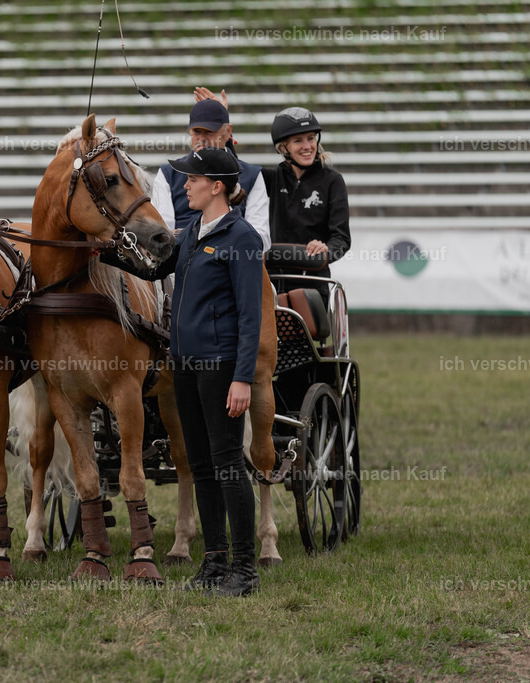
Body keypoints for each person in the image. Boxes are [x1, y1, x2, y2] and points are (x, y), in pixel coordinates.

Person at [102, 147, 263, 597]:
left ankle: (244, 569)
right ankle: (214, 564)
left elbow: (250, 317)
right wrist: (103, 251)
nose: (184, 184)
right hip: (186, 368)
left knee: (228, 464)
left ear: (215, 186)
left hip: (221, 368)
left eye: (192, 179)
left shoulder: (242, 238)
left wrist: (243, 378)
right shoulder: (193, 232)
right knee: (202, 467)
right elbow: (152, 268)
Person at [152, 94, 270, 250]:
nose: (201, 138)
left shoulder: (252, 175)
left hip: (230, 258)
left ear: (228, 132)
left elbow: (262, 238)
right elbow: (162, 233)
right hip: (179, 260)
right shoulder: (169, 172)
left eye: (209, 132)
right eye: (196, 132)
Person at [263, 106, 351, 283]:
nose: (307, 146)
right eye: (298, 141)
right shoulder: (272, 178)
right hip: (273, 281)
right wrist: (222, 130)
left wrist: (325, 250)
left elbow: (341, 238)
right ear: (283, 148)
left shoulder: (333, 181)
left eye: (311, 138)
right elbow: (232, 172)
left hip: (314, 282)